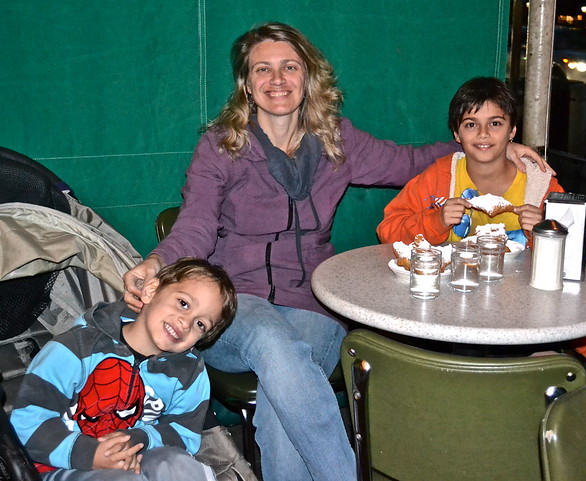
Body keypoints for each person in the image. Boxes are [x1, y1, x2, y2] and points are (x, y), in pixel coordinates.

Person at [122, 23, 551, 481]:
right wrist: (155, 263)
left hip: (312, 302)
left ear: (308, 77)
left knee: (279, 398)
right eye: (262, 69)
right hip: (236, 304)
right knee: (272, 341)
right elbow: (196, 226)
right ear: (246, 83)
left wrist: (489, 146)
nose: (277, 79)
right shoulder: (222, 146)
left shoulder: (337, 141)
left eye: (290, 67)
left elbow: (410, 161)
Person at [376, 76, 586, 363]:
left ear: (512, 130)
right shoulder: (440, 177)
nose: (483, 134)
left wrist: (544, 229)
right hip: (448, 313)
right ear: (456, 133)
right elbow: (388, 229)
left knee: (545, 363)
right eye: (470, 124)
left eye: (495, 123)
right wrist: (436, 221)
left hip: (523, 318)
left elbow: (583, 252)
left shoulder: (539, 184)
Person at [11, 258, 237, 481]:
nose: (185, 323)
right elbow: (25, 424)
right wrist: (91, 454)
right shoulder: (73, 350)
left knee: (178, 466)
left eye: (200, 324)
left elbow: (185, 434)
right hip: (59, 467)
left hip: (138, 457)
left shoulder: (189, 372)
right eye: (183, 303)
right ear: (150, 290)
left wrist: (140, 439)